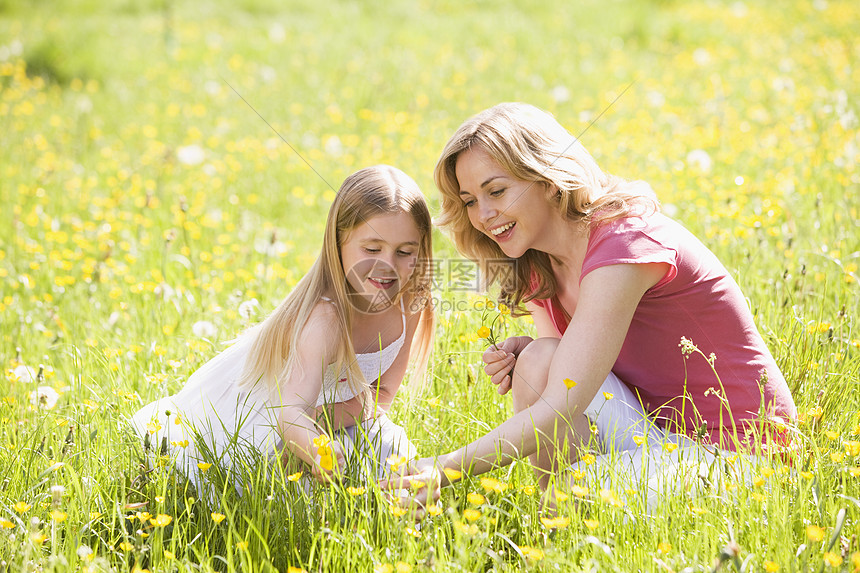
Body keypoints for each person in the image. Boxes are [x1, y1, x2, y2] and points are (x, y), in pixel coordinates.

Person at [390, 103, 796, 501]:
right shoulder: (537, 266)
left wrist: (443, 469)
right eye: (470, 201)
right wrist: (528, 355)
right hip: (659, 434)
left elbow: (560, 404)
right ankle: (555, 518)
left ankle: (556, 513)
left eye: (496, 191)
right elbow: (561, 380)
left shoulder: (623, 246)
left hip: (742, 455)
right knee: (538, 361)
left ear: (547, 178)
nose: (484, 214)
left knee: (572, 493)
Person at [131, 165, 435, 493]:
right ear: (338, 242)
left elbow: (383, 394)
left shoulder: (414, 300)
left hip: (334, 414)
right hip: (269, 414)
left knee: (394, 464)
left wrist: (330, 425)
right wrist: (318, 447)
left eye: (405, 252)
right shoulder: (326, 319)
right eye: (372, 249)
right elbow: (288, 410)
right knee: (271, 490)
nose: (386, 265)